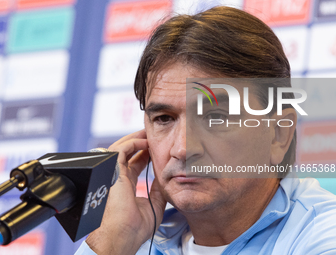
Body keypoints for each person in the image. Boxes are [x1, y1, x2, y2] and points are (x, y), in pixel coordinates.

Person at [75, 6, 336, 255]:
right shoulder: (130, 242)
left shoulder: (324, 236)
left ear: (279, 134)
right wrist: (112, 241)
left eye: (216, 117)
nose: (183, 148)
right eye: (164, 118)